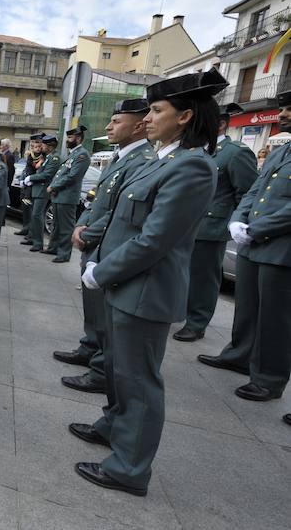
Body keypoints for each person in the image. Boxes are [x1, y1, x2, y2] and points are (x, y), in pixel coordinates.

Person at [72, 69, 221, 497]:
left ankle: (129, 468)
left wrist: (103, 270)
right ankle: (113, 427)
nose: (148, 118)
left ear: (186, 116)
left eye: (157, 111)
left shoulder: (192, 166)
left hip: (146, 289)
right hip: (126, 286)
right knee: (119, 371)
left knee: (139, 381)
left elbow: (154, 239)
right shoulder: (162, 160)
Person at [55, 99, 155, 394]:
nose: (109, 127)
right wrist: (80, 224)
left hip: (107, 243)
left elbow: (121, 211)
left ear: (138, 125)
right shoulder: (121, 156)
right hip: (94, 240)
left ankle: (101, 370)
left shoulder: (142, 161)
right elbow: (97, 199)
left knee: (104, 311)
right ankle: (91, 347)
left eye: (117, 121)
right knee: (94, 308)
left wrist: (89, 233)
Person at [198, 88, 291, 404]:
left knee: (275, 317)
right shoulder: (281, 152)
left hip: (282, 249)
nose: (282, 115)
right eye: (282, 109)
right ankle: (239, 355)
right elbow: (254, 192)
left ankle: (269, 378)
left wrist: (256, 228)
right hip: (254, 243)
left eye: (289, 110)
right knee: (247, 307)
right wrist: (238, 219)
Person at [173, 103, 257, 342]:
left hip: (211, 227)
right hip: (185, 224)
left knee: (203, 278)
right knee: (182, 272)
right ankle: (181, 312)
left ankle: (197, 322)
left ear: (220, 124)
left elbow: (247, 193)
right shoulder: (193, 150)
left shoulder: (235, 152)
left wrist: (233, 224)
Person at [45, 125, 91, 262]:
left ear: (78, 138)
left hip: (67, 196)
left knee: (66, 227)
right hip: (59, 195)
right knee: (56, 225)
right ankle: (53, 248)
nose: (68, 140)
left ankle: (64, 254)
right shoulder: (73, 154)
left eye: (71, 137)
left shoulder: (82, 155)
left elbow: (73, 176)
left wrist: (54, 186)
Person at [21, 135, 61, 252]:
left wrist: (30, 178)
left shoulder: (54, 159)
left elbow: (46, 174)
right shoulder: (47, 157)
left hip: (43, 191)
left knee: (37, 216)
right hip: (37, 190)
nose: (41, 146)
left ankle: (38, 243)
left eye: (43, 145)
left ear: (49, 147)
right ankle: (34, 239)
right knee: (34, 216)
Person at [14, 133, 44, 237]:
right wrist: (22, 179)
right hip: (26, 183)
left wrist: (30, 179)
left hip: (33, 184)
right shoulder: (31, 154)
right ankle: (25, 227)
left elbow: (38, 169)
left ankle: (30, 231)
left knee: (30, 208)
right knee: (25, 207)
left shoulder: (41, 156)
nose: (33, 146)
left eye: (36, 144)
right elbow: (26, 168)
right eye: (32, 144)